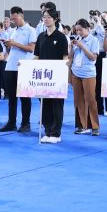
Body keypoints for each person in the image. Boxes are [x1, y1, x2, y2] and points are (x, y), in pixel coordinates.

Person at [33, 7, 68, 144]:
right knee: (45, 105)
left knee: (56, 105)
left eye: (49, 17)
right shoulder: (41, 37)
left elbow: (65, 57)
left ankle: (56, 133)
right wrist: (26, 66)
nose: (46, 19)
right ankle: (47, 131)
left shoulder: (61, 37)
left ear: (55, 19)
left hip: (57, 77)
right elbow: (36, 57)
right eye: (44, 17)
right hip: (43, 77)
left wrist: (65, 70)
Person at [0, 6, 35, 133]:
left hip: (23, 67)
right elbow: (12, 49)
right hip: (10, 66)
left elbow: (31, 48)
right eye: (12, 19)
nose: (13, 21)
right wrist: (8, 44)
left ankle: (26, 123)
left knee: (25, 97)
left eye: (15, 18)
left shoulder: (31, 30)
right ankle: (11, 122)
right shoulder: (13, 31)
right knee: (11, 97)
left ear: (21, 15)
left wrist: (14, 43)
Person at [69, 19, 100, 136]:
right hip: (75, 72)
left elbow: (93, 57)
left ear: (87, 29)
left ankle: (95, 127)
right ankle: (81, 125)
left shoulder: (94, 40)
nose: (78, 32)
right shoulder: (77, 40)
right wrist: (71, 47)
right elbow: (71, 56)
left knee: (90, 99)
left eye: (80, 30)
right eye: (77, 30)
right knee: (78, 100)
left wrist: (82, 46)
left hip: (88, 74)